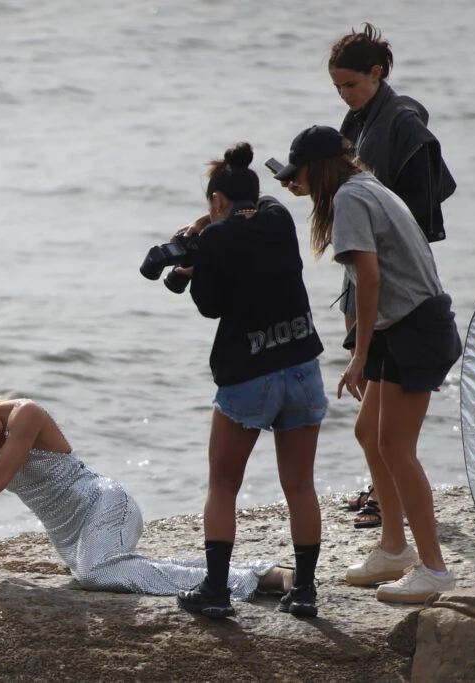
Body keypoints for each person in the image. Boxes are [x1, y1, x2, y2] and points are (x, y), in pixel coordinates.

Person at [276, 125, 462, 603]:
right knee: (368, 433)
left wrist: (358, 355)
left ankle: (434, 569)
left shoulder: (350, 199)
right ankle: (395, 547)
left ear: (318, 168)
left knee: (396, 448)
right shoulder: (366, 185)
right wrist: (367, 345)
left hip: (414, 328)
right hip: (398, 325)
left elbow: (370, 278)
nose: (294, 183)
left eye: (298, 174)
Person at [0, 388, 294, 600]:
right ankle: (253, 572)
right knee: (113, 569)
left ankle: (252, 580)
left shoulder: (25, 414)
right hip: (72, 537)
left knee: (96, 573)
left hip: (104, 504)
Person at [305, 23, 458, 529]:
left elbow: (422, 208)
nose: (344, 95)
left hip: (393, 279)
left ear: (376, 73)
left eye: (350, 84)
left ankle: (387, 501)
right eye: (337, 87)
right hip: (368, 267)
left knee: (383, 410)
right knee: (371, 409)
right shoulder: (359, 119)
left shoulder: (402, 124)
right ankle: (383, 494)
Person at [170, 143, 328, 619]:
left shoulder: (216, 241)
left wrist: (200, 245)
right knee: (300, 485)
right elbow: (262, 205)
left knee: (223, 484)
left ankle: (216, 590)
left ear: (216, 201)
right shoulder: (279, 219)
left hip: (249, 374)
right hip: (302, 366)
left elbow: (210, 306)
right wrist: (210, 222)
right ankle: (305, 591)